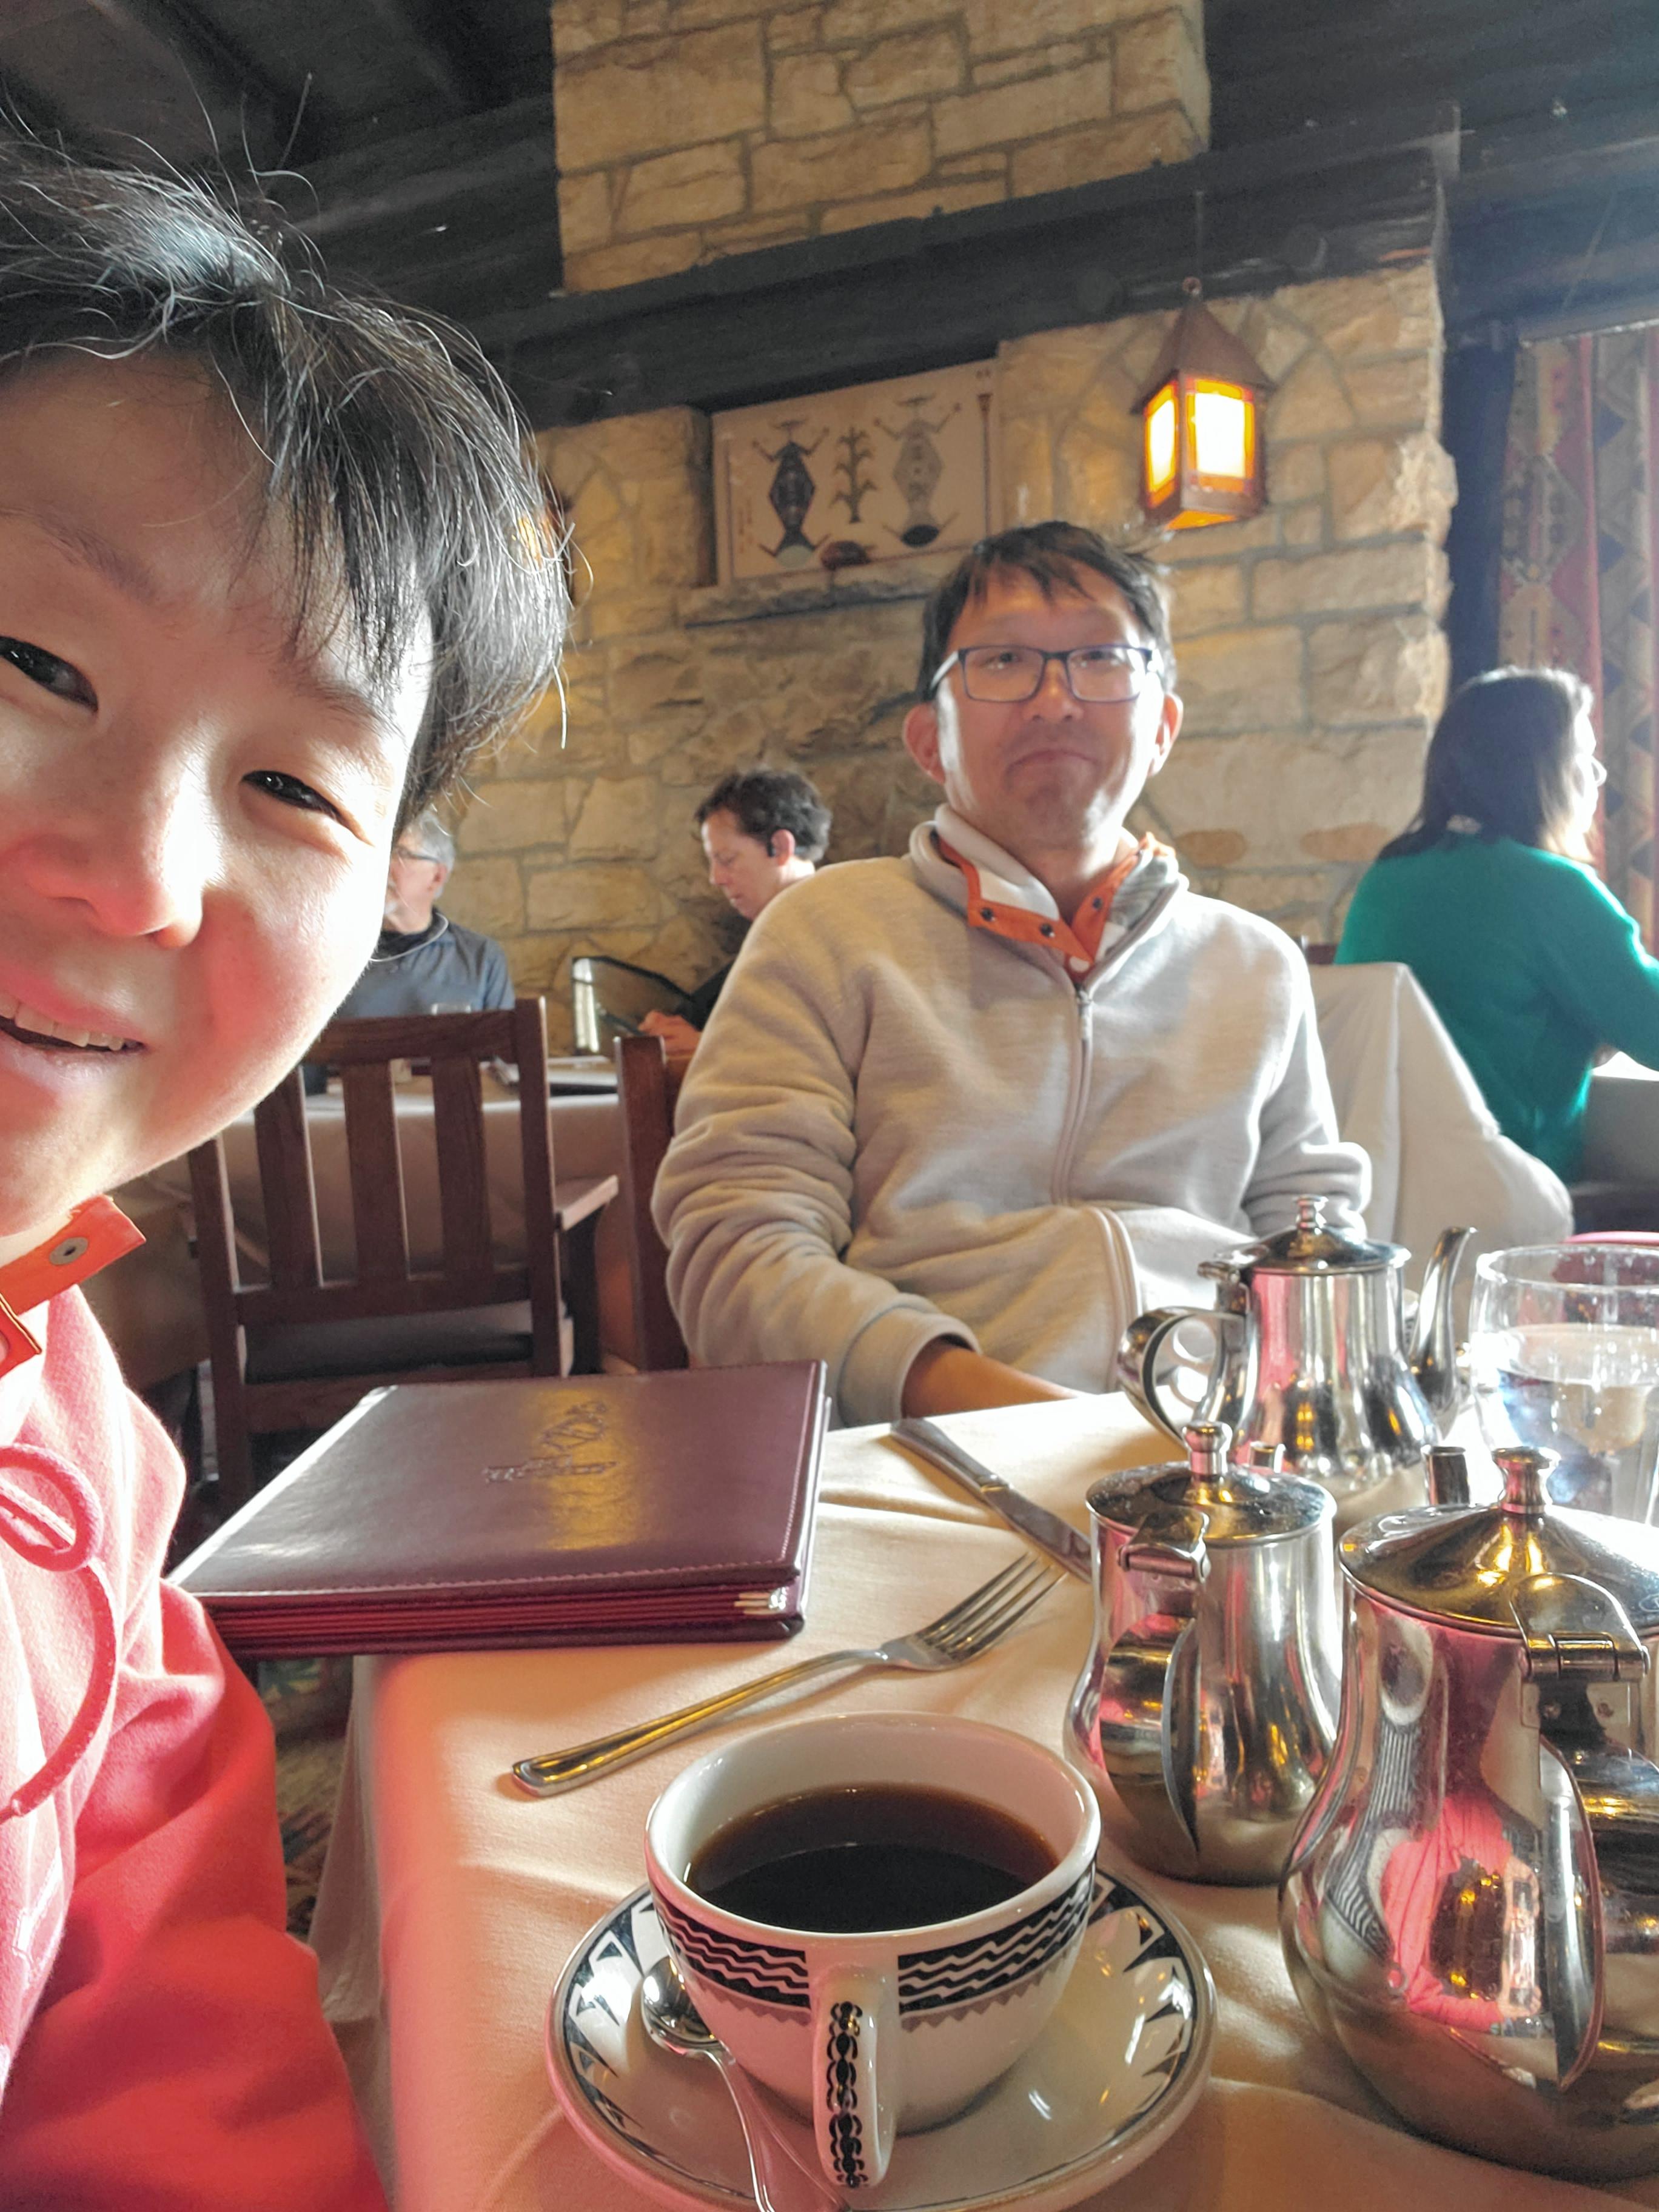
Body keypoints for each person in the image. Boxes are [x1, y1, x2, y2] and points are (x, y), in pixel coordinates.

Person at [0, 141, 563, 2203]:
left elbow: (175, 2061)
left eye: (289, 786)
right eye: (33, 664)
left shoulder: (82, 1443)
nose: (144, 873)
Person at [653, 522, 1367, 1427]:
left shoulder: (1254, 964)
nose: (1055, 700)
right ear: (929, 740)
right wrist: (993, 1407)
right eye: (1002, 662)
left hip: (1218, 1451)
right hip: (926, 1450)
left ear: (1163, 727)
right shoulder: (824, 934)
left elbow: (1315, 1238)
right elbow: (737, 1253)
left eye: (1102, 658)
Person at [1338, 665, 1659, 1181]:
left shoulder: (1387, 879)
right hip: (1512, 1187)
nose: (1599, 776)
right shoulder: (1549, 887)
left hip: (1385, 1188)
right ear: (1537, 772)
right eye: (1584, 756)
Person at [641, 768, 830, 1055]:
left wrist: (705, 1046)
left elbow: (818, 1049)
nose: (715, 879)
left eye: (727, 859)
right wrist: (675, 1028)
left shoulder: (827, 931)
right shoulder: (774, 931)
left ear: (780, 847)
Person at [330, 811, 514, 1019]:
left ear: (437, 877)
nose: (381, 866)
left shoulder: (480, 958)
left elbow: (503, 1039)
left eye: (399, 854)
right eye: (380, 852)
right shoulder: (337, 954)